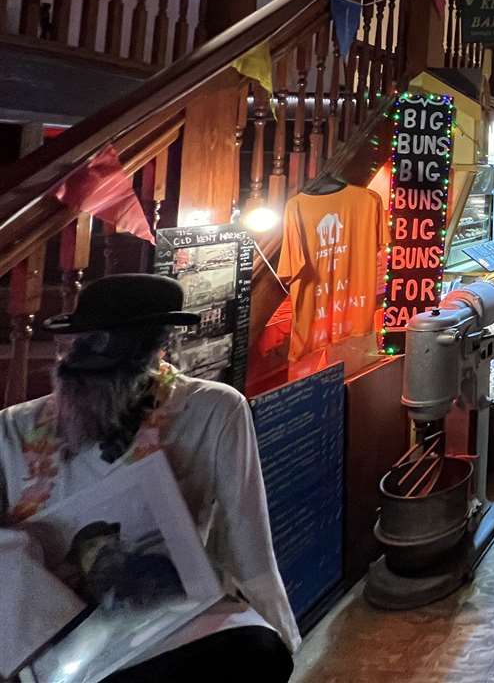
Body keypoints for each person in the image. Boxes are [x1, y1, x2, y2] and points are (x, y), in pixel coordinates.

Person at [0, 275, 299, 681]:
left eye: (102, 346)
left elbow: (247, 540)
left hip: (169, 614)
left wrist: (281, 636)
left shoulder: (212, 408)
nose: (73, 359)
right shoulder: (15, 427)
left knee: (254, 650)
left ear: (155, 349)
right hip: (57, 635)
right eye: (72, 346)